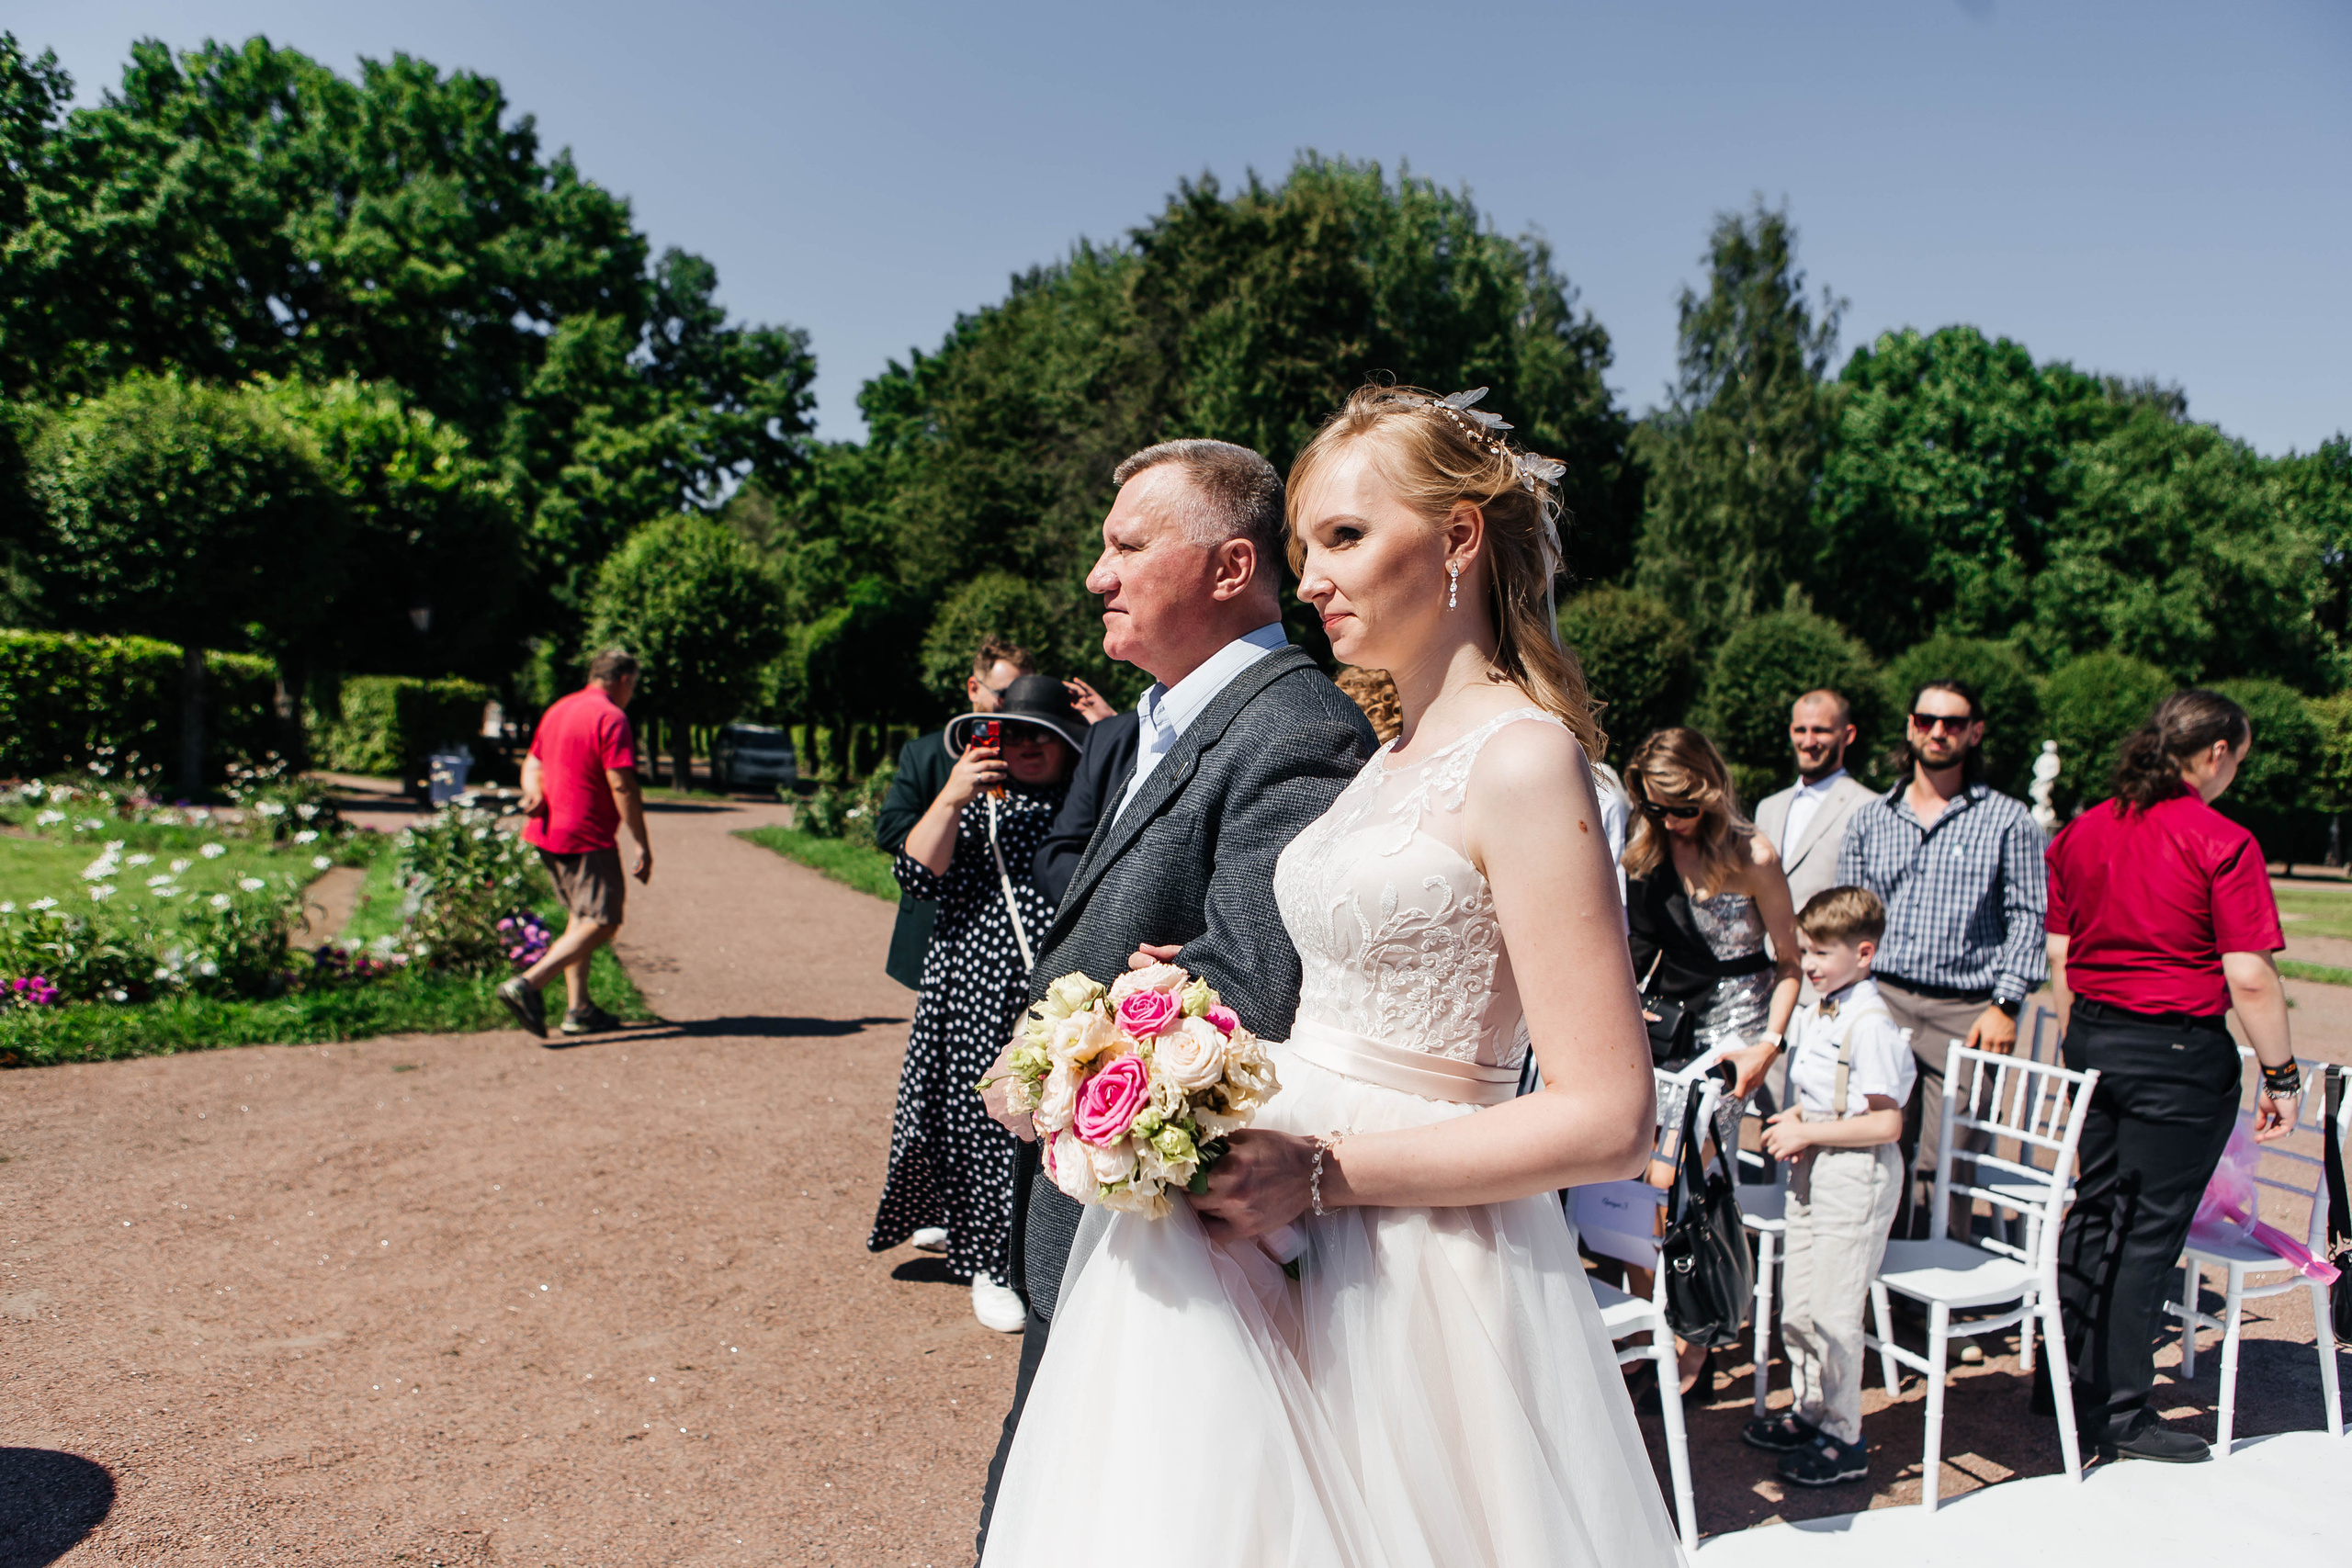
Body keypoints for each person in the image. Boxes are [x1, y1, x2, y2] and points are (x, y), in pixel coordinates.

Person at [979, 386, 1681, 1566]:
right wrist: (1162, 1030)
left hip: (1415, 1264)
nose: (1309, 579)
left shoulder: (1523, 760)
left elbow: (1610, 1119)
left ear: (1458, 539)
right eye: (1305, 547)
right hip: (1276, 1219)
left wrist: (1322, 1172)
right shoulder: (1388, 756)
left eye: (1345, 538)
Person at [970, 436, 1378, 1555]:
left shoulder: (1296, 726)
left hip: (1165, 1240)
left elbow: (1251, 984)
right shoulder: (1157, 718)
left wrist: (1050, 1061)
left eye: (1127, 546)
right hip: (1095, 1201)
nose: (1096, 575)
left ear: (1230, 567)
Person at [2043, 689, 2299, 1464]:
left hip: (2095, 1034)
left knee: (2095, 1210)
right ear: (2216, 752)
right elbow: (2249, 975)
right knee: (2149, 1231)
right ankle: (2119, 1408)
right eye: (2238, 759)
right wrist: (2282, 1075)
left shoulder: (2084, 829)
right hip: (2176, 1052)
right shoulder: (2221, 839)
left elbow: (2061, 954)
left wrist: (2079, 1043)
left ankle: (2063, 1379)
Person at [868, 675, 1087, 1333]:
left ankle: (1055, 1258)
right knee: (987, 1127)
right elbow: (914, 874)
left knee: (1066, 1120)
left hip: (1061, 988)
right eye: (1013, 734)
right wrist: (952, 793)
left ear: (1069, 743)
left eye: (1042, 736)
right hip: (975, 987)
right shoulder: (977, 803)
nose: (1026, 746)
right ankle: (989, 1262)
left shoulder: (1091, 800)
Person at [1620, 725, 1802, 1393]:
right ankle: (1656, 1322)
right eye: (1656, 807)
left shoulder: (1755, 855)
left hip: (1737, 1032)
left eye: (1682, 807)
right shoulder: (1647, 849)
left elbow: (1790, 961)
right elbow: (1636, 954)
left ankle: (1697, 1338)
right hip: (1669, 1024)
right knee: (1638, 1184)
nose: (1670, 820)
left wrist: (1768, 1047)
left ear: (1710, 791)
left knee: (1688, 1183)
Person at [1837, 679, 2047, 1249]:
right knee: (1874, 1150)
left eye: (1952, 723)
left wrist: (2005, 1004)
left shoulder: (2009, 821)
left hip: (1967, 1011)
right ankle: (1874, 1280)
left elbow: (2029, 917)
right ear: (1910, 726)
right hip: (1883, 1002)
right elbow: (1848, 919)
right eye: (1926, 719)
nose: (1938, 732)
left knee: (1949, 1161)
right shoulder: (1870, 819)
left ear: (1974, 733)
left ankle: (1933, 1288)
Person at [1745, 886, 1914, 1488]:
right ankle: (1811, 1407)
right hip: (1814, 1163)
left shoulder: (1871, 1023)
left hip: (1856, 1173)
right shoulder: (1821, 1008)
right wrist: (1797, 1119)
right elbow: (1824, 1093)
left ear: (1863, 953)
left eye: (1820, 953)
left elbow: (1887, 1123)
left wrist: (1808, 1129)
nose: (1808, 964)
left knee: (1836, 1311)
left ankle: (1846, 1436)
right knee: (1801, 1303)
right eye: (1805, 951)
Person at [498, 649, 652, 1040]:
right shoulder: (611, 717)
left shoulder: (560, 709)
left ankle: (578, 1009)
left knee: (580, 917)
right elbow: (621, 783)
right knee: (604, 920)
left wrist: (533, 792)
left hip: (549, 832)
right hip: (587, 835)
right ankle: (528, 984)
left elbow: (533, 763)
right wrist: (641, 843)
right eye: (633, 685)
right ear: (623, 680)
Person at [874, 637, 1038, 993]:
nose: (1015, 707)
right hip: (936, 921)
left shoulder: (1039, 752)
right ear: (974, 688)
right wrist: (947, 824)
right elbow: (889, 829)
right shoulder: (927, 753)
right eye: (1004, 695)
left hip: (1014, 936)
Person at [1754, 690, 1875, 919]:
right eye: (1801, 730)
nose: (1808, 742)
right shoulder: (1767, 809)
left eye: (1820, 731)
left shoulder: (1870, 808)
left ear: (1848, 735)